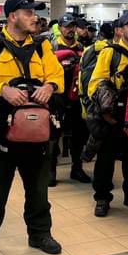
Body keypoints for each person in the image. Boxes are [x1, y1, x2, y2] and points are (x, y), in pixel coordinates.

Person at [0, 0, 64, 255]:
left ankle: (40, 234)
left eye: (34, 13)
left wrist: (50, 87)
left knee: (38, 189)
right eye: (28, 13)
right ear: (12, 16)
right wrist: (3, 89)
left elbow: (56, 74)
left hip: (36, 130)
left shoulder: (42, 45)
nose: (34, 17)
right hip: (1, 130)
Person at [88, 11, 128, 217]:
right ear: (120, 30)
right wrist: (106, 108)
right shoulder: (109, 53)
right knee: (106, 160)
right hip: (112, 117)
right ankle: (102, 198)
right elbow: (95, 82)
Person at [51, 13, 90, 185]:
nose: (70, 29)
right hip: (55, 98)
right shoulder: (51, 47)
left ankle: (77, 168)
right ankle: (50, 171)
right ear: (60, 28)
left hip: (77, 99)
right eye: (66, 26)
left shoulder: (83, 48)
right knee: (53, 136)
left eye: (72, 26)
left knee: (79, 136)